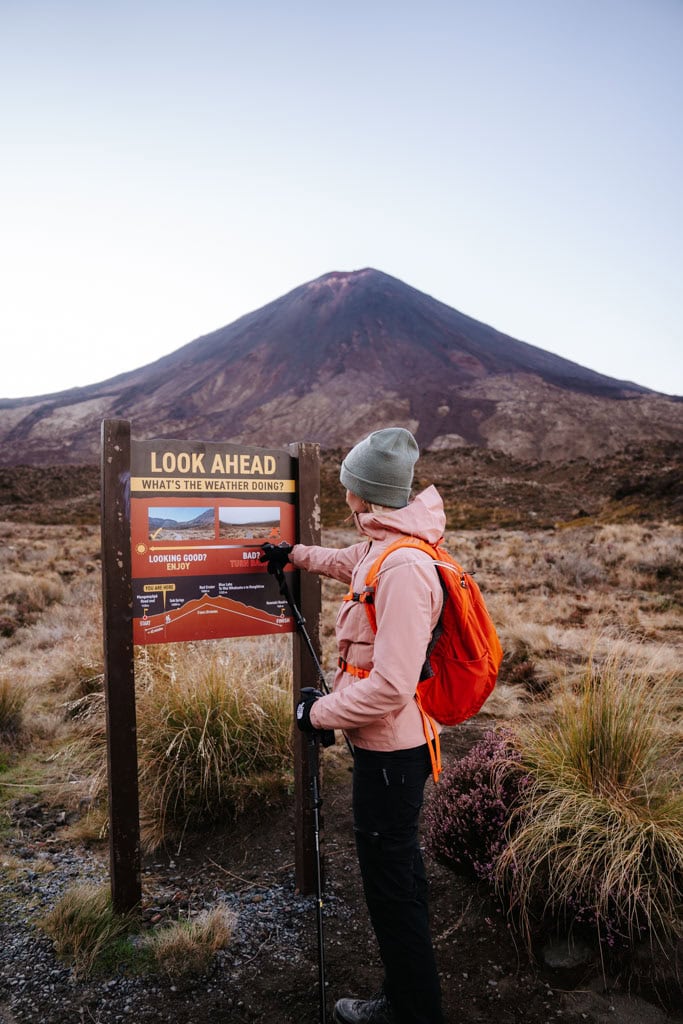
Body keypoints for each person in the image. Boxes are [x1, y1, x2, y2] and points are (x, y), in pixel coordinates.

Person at [263, 427, 445, 1024]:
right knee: (399, 874)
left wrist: (315, 713)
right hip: (385, 751)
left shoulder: (404, 570)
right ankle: (411, 999)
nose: (344, 491)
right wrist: (291, 556)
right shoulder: (382, 546)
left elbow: (391, 686)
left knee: (390, 888)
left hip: (394, 759)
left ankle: (410, 1010)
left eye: (349, 482)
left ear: (365, 491)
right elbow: (345, 563)